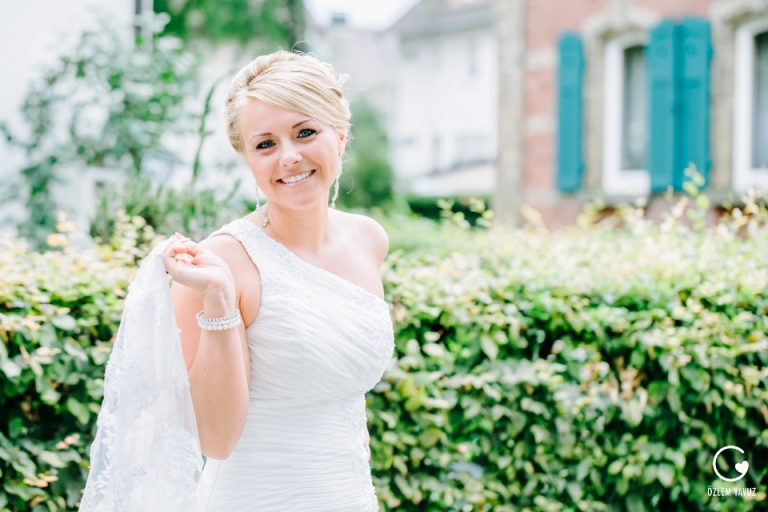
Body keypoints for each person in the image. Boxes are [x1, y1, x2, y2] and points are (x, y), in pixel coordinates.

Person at [160, 50, 395, 511]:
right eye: (265, 144)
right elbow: (215, 439)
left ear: (340, 137)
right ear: (246, 157)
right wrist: (220, 300)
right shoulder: (217, 264)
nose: (289, 157)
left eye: (305, 132)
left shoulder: (369, 239)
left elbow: (337, 389)